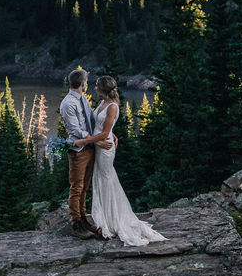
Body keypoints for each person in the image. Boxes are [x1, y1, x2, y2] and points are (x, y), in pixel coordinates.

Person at [73, 75, 167, 246]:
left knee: (106, 180)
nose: (94, 88)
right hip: (100, 144)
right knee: (102, 180)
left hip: (105, 148)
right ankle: (105, 218)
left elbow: (103, 132)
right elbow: (103, 128)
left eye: (96, 86)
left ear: (103, 89)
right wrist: (110, 134)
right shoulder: (102, 103)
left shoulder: (112, 107)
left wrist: (84, 141)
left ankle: (112, 220)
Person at [60, 68, 110, 239]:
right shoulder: (68, 103)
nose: (86, 84)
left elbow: (91, 120)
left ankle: (83, 218)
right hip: (78, 150)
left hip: (89, 148)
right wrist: (97, 140)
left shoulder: (82, 99)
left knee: (84, 187)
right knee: (76, 187)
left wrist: (109, 133)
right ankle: (75, 224)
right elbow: (76, 130)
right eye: (86, 82)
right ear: (82, 84)